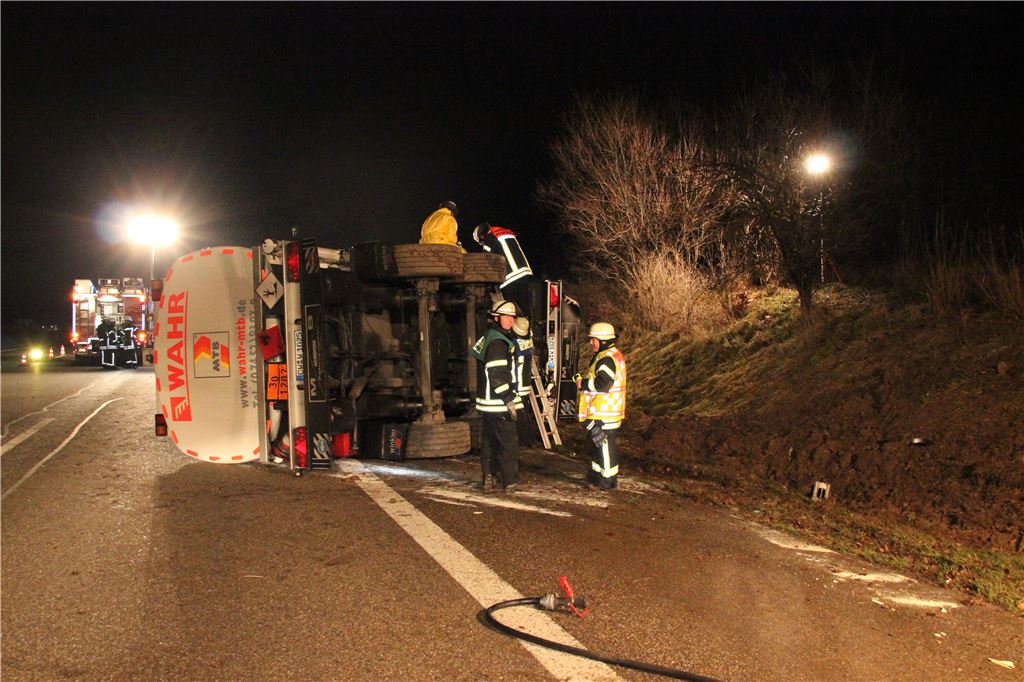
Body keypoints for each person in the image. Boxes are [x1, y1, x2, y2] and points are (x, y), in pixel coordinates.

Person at [470, 300, 523, 491]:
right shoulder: (499, 342)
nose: (510, 321)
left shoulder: (489, 337)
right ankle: (510, 482)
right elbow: (497, 375)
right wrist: (509, 399)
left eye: (512, 317)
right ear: (496, 317)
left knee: (489, 442)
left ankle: (488, 478)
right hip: (499, 404)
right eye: (506, 317)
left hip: (488, 405)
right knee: (508, 443)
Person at [575, 322, 627, 490]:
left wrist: (583, 383)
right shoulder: (611, 355)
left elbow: (603, 384)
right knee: (599, 445)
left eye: (593, 340)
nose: (591, 343)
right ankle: (597, 476)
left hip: (604, 411)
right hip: (607, 410)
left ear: (603, 340)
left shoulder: (606, 358)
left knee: (604, 445)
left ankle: (606, 481)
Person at [472, 222, 534, 306]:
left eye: (481, 242)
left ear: (482, 236)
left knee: (511, 309)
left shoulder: (489, 237)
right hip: (524, 274)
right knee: (524, 307)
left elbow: (485, 259)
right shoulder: (505, 233)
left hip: (510, 279)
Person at [511, 315, 537, 446]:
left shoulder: (515, 342)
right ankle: (527, 440)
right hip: (525, 384)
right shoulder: (528, 340)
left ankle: (523, 440)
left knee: (519, 415)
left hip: (518, 385)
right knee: (524, 412)